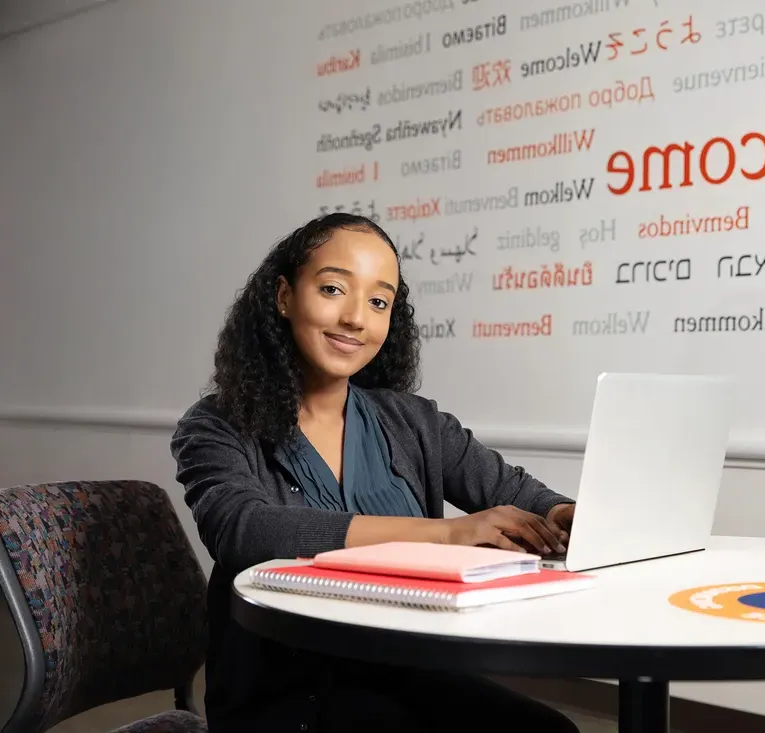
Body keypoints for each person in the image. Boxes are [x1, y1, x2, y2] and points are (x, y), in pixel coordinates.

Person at [170, 213, 580, 733]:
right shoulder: (216, 425)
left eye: (378, 301)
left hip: (406, 674)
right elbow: (245, 532)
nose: (355, 318)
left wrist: (567, 513)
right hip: (287, 697)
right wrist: (446, 534)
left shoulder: (414, 422)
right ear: (283, 297)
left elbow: (519, 493)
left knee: (549, 731)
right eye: (334, 288)